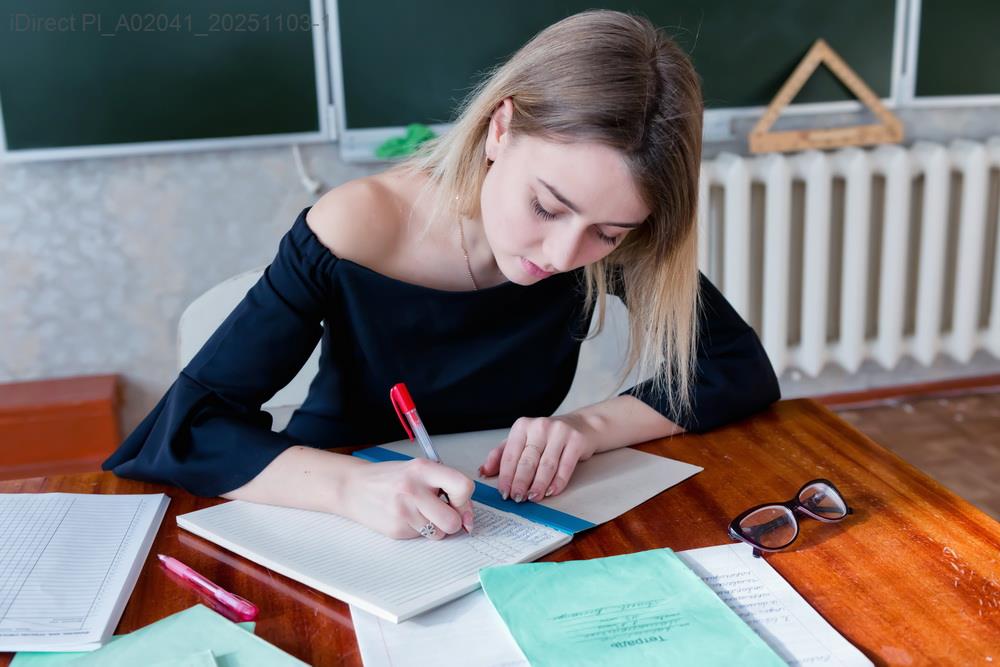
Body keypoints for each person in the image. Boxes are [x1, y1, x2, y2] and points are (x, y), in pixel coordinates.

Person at [103, 10, 780, 541]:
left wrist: (587, 427)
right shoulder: (359, 226)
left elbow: (736, 366)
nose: (566, 253)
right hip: (335, 513)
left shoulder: (594, 236)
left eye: (609, 233)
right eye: (546, 205)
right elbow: (187, 428)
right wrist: (349, 488)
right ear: (499, 129)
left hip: (500, 524)